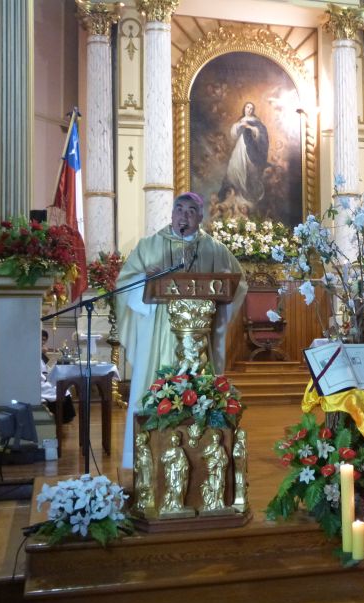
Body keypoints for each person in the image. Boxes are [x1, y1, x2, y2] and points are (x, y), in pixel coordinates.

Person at [116, 192, 248, 468]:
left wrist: (223, 283)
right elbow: (125, 283)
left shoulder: (214, 249)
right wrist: (145, 279)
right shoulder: (149, 245)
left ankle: (202, 455)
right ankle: (146, 455)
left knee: (201, 390)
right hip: (158, 336)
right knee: (154, 384)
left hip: (200, 338)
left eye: (191, 211)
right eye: (180, 209)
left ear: (201, 217)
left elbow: (238, 284)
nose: (184, 215)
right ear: (172, 214)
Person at [218, 102, 269, 210]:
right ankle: (235, 195)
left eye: (251, 108)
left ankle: (245, 196)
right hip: (240, 147)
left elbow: (260, 135)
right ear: (244, 108)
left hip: (250, 151)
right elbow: (233, 134)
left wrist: (250, 127)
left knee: (247, 171)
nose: (249, 110)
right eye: (247, 107)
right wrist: (240, 125)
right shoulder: (240, 121)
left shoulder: (256, 122)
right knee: (234, 167)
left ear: (253, 111)